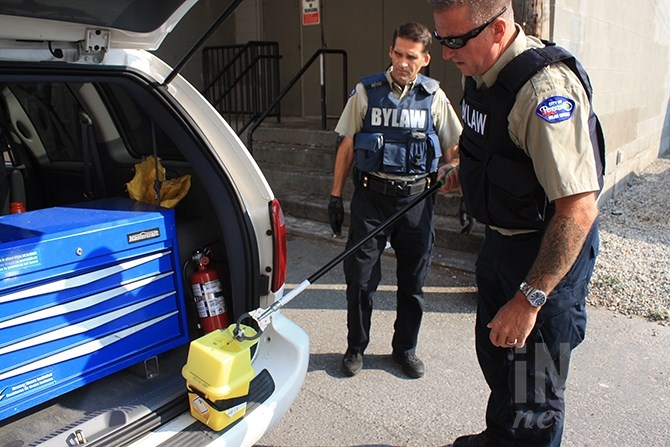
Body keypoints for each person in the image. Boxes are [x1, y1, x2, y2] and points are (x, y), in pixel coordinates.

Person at [427, 1, 606, 446]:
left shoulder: (545, 94)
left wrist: (530, 300)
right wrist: (464, 176)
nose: (447, 53)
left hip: (546, 258)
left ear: (498, 29)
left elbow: (578, 210)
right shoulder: (482, 73)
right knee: (498, 358)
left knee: (534, 394)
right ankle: (499, 438)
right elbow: (497, 153)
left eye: (455, 40)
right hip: (501, 246)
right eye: (441, 39)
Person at [328, 22, 462, 379]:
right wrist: (336, 196)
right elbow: (346, 146)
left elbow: (453, 147)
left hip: (417, 201)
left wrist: (453, 171)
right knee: (359, 280)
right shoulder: (366, 91)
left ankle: (405, 349)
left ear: (425, 59)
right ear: (391, 52)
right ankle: (356, 347)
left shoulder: (434, 96)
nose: (404, 62)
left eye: (412, 57)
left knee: (413, 283)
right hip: (372, 198)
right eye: (399, 54)